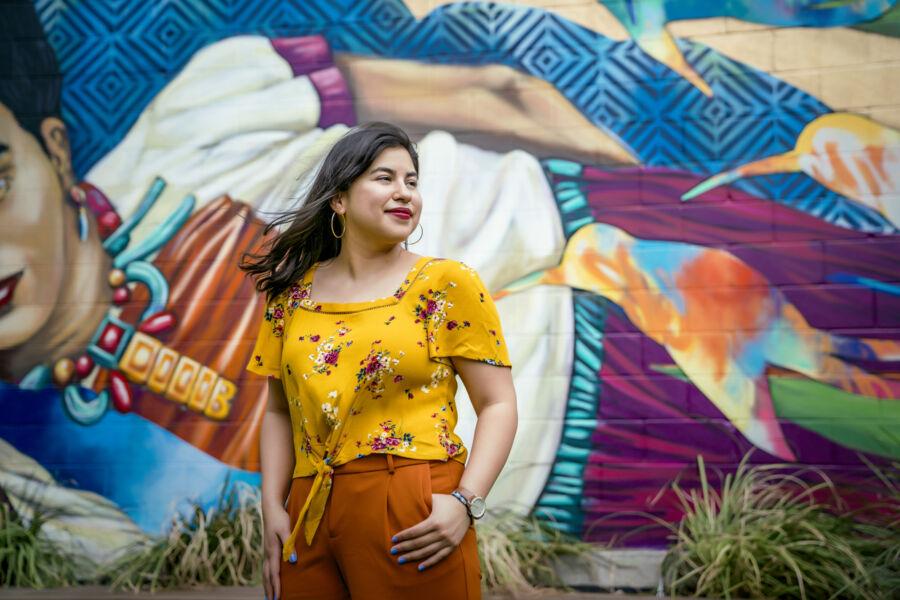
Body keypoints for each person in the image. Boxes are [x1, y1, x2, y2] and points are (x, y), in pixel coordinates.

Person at [241, 122, 518, 600]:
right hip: (309, 509)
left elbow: (498, 404)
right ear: (339, 199)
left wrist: (465, 502)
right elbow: (278, 410)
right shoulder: (292, 296)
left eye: (412, 181)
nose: (404, 192)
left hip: (413, 501)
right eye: (384, 177)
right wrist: (273, 506)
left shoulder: (446, 284)